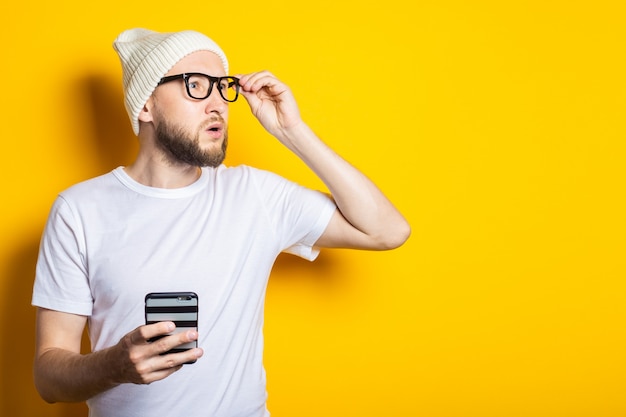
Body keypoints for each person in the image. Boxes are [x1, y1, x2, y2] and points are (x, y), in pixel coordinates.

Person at [32, 28, 410, 417]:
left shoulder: (254, 195)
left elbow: (387, 230)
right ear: (145, 105)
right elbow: (47, 377)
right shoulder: (79, 210)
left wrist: (291, 131)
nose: (217, 104)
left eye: (222, 87)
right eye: (196, 86)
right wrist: (113, 365)